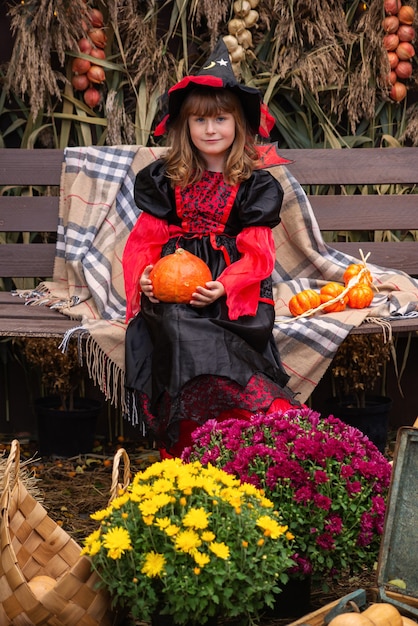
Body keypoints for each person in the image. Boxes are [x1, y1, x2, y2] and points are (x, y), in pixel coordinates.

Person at [122, 39, 299, 457]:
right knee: (177, 322)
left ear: (238, 124)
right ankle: (188, 440)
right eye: (199, 121)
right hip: (176, 281)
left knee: (214, 328)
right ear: (184, 126)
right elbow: (145, 240)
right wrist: (146, 276)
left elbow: (258, 251)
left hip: (230, 289)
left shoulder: (253, 184)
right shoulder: (167, 178)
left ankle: (243, 427)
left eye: (220, 118)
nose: (210, 129)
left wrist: (226, 285)